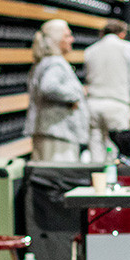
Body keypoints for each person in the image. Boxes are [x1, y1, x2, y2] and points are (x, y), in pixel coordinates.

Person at [25, 19, 89, 162]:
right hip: (57, 133)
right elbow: (48, 87)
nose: (71, 39)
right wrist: (76, 95)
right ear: (57, 40)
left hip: (52, 131)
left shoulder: (45, 61)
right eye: (67, 36)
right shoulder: (55, 63)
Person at [82, 18, 130, 161]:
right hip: (117, 105)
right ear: (122, 33)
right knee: (116, 152)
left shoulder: (90, 51)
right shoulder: (128, 48)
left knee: (96, 150)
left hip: (93, 105)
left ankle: (97, 181)